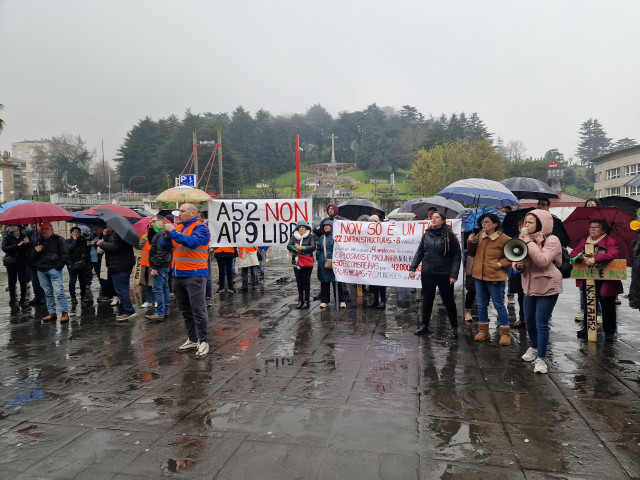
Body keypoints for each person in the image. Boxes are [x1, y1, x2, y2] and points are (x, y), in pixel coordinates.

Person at [512, 209, 563, 374]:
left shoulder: (552, 240)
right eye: (525, 222)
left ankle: (541, 358)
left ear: (541, 224)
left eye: (530, 222)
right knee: (529, 320)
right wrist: (517, 266)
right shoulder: (524, 239)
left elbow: (542, 261)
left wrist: (529, 243)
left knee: (541, 322)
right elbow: (516, 257)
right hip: (529, 286)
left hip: (548, 286)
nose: (526, 226)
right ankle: (533, 347)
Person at [161, 203, 211, 358]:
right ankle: (193, 339)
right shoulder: (179, 228)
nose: (179, 214)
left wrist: (173, 233)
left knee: (198, 309)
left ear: (192, 213)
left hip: (195, 274)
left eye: (182, 211)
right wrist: (167, 235)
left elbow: (192, 243)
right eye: (179, 211)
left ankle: (203, 341)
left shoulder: (201, 228)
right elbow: (164, 247)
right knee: (185, 310)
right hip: (178, 275)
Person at [409, 211, 461, 337]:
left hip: (444, 273)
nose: (433, 219)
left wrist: (454, 274)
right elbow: (420, 252)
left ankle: (454, 327)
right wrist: (413, 267)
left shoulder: (449, 235)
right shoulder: (427, 234)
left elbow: (456, 256)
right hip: (428, 272)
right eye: (432, 218)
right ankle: (424, 325)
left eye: (437, 217)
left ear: (443, 220)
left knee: (448, 300)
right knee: (427, 300)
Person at [570, 218, 622, 342]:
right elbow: (573, 254)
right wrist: (581, 258)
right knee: (589, 305)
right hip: (588, 278)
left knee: (608, 307)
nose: (592, 230)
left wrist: (596, 258)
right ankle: (588, 328)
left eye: (596, 227)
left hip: (606, 281)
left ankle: (609, 331)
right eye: (590, 227)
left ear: (603, 230)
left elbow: (613, 254)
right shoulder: (584, 241)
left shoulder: (610, 241)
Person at [467, 213, 512, 344]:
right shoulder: (480, 235)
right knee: (481, 304)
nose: (483, 224)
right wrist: (471, 241)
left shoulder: (504, 238)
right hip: (478, 275)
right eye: (482, 222)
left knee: (498, 304)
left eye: (486, 222)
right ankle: (483, 331)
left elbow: (514, 254)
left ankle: (504, 333)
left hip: (494, 275)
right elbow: (472, 251)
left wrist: (501, 264)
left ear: (495, 224)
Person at [97, 224, 137, 322]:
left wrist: (101, 243)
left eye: (108, 226)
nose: (106, 228)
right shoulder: (118, 234)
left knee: (121, 290)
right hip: (120, 265)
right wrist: (105, 236)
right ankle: (123, 310)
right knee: (121, 290)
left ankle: (129, 311)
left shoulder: (118, 235)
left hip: (120, 266)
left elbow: (114, 247)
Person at [31, 222, 70, 323]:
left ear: (51, 229)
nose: (44, 231)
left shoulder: (59, 239)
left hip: (53, 269)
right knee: (47, 293)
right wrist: (36, 251)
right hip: (41, 270)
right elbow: (32, 257)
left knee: (59, 292)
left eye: (46, 229)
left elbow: (65, 254)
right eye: (42, 229)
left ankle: (64, 312)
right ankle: (52, 312)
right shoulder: (38, 241)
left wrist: (58, 267)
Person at [144, 216, 172, 322]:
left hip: (160, 265)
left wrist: (155, 267)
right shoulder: (159, 233)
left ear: (161, 222)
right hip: (164, 264)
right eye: (150, 222)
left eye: (154, 221)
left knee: (158, 289)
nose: (151, 223)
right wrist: (151, 229)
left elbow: (161, 251)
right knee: (164, 288)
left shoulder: (161, 233)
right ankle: (165, 310)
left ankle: (160, 313)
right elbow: (152, 242)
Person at [316, 219, 346, 308]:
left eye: (327, 225)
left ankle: (341, 300)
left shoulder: (336, 237)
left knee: (337, 282)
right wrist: (319, 259)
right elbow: (318, 250)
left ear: (332, 227)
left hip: (335, 262)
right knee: (324, 282)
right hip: (323, 263)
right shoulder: (321, 238)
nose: (325, 227)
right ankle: (324, 300)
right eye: (324, 225)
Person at [287, 220, 316, 309]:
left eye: (303, 227)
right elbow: (288, 246)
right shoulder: (294, 236)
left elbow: (312, 247)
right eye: (299, 227)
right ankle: (300, 300)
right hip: (296, 262)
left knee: (306, 282)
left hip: (306, 262)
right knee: (299, 282)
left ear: (306, 228)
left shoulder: (310, 236)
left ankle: (307, 301)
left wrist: (302, 247)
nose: (301, 229)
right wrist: (294, 247)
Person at [2, 225, 30, 305]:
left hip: (21, 261)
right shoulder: (7, 237)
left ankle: (23, 298)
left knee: (22, 280)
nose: (12, 227)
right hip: (11, 262)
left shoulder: (23, 236)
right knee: (12, 280)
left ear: (18, 228)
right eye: (11, 226)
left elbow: (26, 250)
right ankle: (13, 298)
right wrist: (17, 245)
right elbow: (5, 248)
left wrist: (26, 244)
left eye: (14, 226)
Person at [88, 220, 113, 302]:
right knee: (101, 278)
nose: (95, 232)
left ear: (102, 228)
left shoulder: (106, 236)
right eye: (93, 230)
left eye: (96, 229)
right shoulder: (96, 236)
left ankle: (108, 294)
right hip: (96, 260)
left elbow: (102, 246)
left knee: (105, 278)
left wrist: (95, 244)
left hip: (103, 259)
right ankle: (104, 293)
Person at [368, 215, 387, 308]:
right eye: (370, 221)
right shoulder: (367, 232)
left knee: (381, 281)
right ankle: (375, 300)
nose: (372, 223)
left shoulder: (382, 231)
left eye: (374, 221)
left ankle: (383, 301)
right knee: (374, 281)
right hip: (372, 259)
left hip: (381, 259)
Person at [66, 226, 89, 304]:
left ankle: (83, 296)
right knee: (72, 281)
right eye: (75, 232)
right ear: (71, 233)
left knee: (82, 281)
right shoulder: (68, 241)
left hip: (81, 264)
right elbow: (68, 249)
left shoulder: (83, 241)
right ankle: (73, 297)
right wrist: (74, 241)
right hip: (72, 264)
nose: (77, 233)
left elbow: (86, 252)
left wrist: (84, 260)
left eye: (78, 232)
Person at [26, 223, 46, 305]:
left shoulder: (42, 235)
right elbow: (28, 249)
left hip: (41, 261)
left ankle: (43, 297)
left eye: (35, 224)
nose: (33, 226)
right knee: (34, 280)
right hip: (31, 261)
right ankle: (37, 296)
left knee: (42, 280)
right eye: (32, 224)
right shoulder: (28, 235)